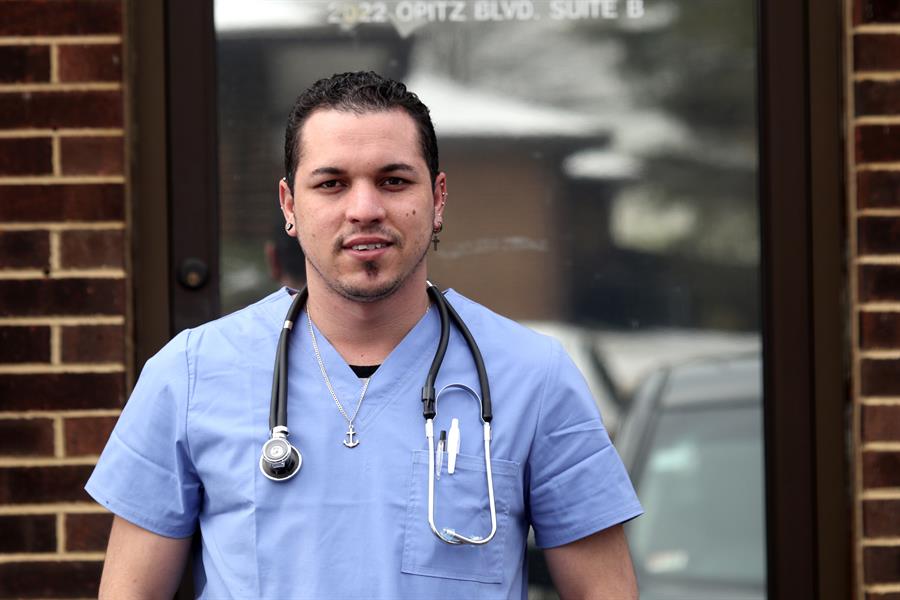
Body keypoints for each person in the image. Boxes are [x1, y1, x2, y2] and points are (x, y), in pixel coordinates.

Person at [86, 71, 643, 599]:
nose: (365, 209)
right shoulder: (191, 374)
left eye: (393, 181)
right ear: (289, 205)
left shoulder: (531, 377)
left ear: (438, 198)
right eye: (331, 184)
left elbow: (604, 590)